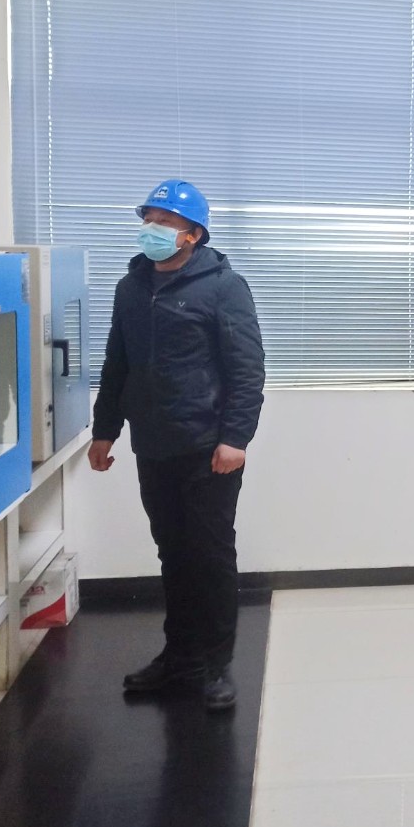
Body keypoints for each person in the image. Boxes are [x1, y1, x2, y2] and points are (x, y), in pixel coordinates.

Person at [89, 180, 265, 712]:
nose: (153, 229)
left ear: (193, 235)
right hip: (154, 444)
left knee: (210, 556)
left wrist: (235, 438)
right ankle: (180, 657)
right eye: (149, 218)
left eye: (165, 222)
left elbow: (247, 368)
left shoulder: (224, 287)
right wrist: (104, 430)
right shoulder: (131, 287)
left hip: (208, 448)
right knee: (173, 554)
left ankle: (216, 664)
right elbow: (117, 363)